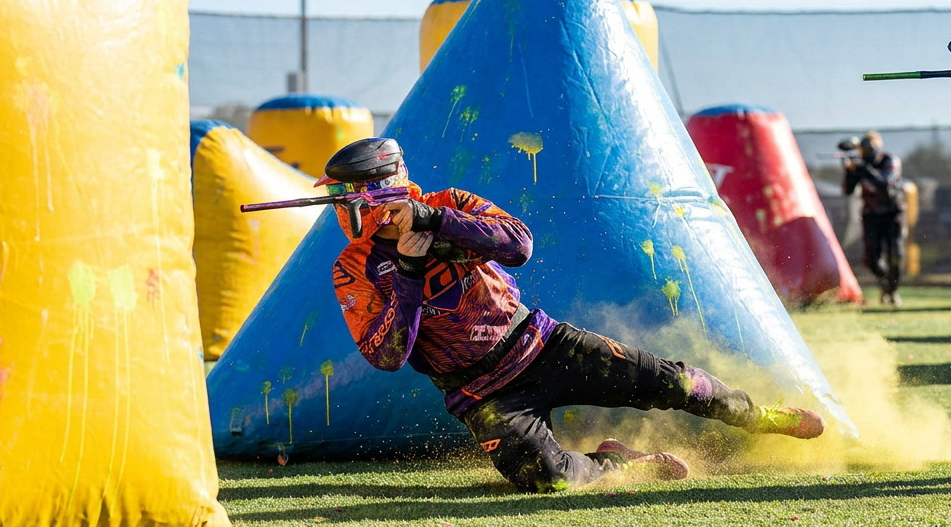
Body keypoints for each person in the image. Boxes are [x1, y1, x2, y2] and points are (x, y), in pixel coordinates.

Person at [321, 137, 825, 493]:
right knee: (550, 480)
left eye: (345, 197)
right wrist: (407, 271)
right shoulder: (353, 268)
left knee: (671, 383)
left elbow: (519, 245)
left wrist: (436, 221)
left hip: (542, 345)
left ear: (381, 191)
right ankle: (615, 462)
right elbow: (388, 355)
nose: (340, 209)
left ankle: (759, 416)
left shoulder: (450, 202)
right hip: (482, 393)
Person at [841, 131, 907, 305]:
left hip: (893, 214)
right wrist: (849, 170)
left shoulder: (889, 161)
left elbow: (884, 185)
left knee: (896, 256)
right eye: (863, 149)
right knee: (872, 259)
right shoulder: (861, 165)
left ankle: (893, 291)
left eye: (869, 148)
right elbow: (848, 190)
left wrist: (864, 169)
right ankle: (886, 285)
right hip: (871, 216)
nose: (866, 152)